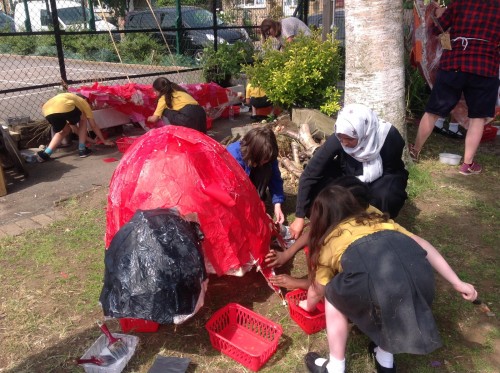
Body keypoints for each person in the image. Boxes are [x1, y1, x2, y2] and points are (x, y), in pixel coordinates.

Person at [300, 184, 478, 373]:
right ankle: (385, 362)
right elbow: (423, 245)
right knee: (390, 301)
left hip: (377, 285)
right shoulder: (377, 220)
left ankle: (335, 367)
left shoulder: (329, 240)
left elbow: (319, 288)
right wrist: (457, 282)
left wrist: (307, 306)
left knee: (333, 292)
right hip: (420, 281)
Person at [289, 103, 408, 239]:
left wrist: (363, 194)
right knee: (323, 183)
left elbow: (390, 173)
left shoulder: (389, 137)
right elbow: (311, 172)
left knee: (385, 194)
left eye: (350, 139)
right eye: (341, 138)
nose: (344, 143)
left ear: (365, 132)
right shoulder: (340, 136)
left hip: (382, 178)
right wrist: (299, 216)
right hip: (350, 175)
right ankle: (333, 218)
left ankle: (378, 229)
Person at [409, 0, 499, 176]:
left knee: (434, 110)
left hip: (455, 64)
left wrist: (438, 14)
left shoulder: (460, 3)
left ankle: (415, 151)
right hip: (485, 67)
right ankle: (467, 164)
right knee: (477, 117)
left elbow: (436, 30)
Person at [267, 175, 372, 291]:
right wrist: (286, 254)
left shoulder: (337, 243)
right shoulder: (365, 210)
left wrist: (298, 283)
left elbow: (326, 287)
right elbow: (316, 229)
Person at [226, 126, 285, 224]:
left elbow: (276, 179)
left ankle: (258, 199)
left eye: (267, 160)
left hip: (251, 181)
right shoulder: (233, 155)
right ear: (254, 152)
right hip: (235, 191)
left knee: (267, 168)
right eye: (263, 159)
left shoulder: (268, 154)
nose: (265, 162)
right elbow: (231, 189)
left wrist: (277, 204)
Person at [37, 92, 114, 162]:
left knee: (64, 131)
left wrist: (93, 141)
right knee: (83, 119)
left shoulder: (70, 100)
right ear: (86, 99)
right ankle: (82, 150)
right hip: (64, 107)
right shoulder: (83, 102)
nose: (91, 106)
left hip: (47, 110)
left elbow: (76, 130)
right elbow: (93, 125)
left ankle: (45, 154)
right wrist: (104, 141)